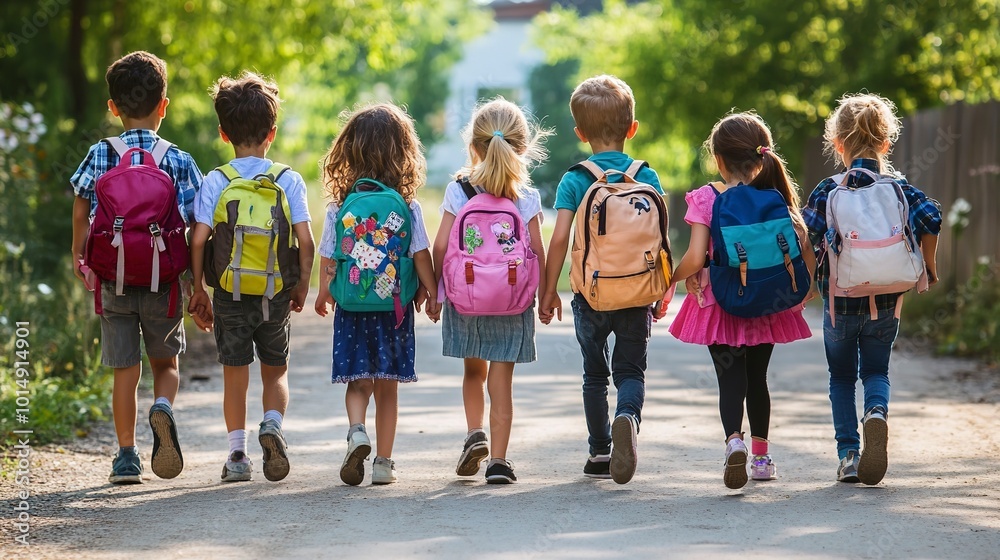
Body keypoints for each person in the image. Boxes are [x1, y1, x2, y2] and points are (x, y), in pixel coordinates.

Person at [70, 51, 203, 484]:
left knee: (125, 369)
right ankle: (162, 408)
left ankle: (126, 456)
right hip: (163, 282)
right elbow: (197, 224)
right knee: (166, 364)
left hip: (114, 279)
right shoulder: (179, 159)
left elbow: (80, 207)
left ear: (113, 108)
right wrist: (195, 282)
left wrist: (81, 257)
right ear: (164, 105)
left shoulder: (98, 153)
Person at [668, 112, 815, 489]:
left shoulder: (705, 198)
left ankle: (734, 442)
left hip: (720, 303)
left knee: (728, 379)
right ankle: (762, 458)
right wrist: (808, 287)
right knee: (758, 379)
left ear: (718, 159)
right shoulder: (774, 197)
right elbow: (803, 247)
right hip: (766, 302)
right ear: (761, 156)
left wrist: (669, 278)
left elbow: (697, 257)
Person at [803, 93, 941, 485]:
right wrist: (929, 267)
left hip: (840, 303)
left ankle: (848, 456)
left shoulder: (828, 189)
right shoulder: (898, 188)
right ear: (886, 143)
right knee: (876, 371)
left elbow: (806, 235)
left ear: (838, 144)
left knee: (842, 378)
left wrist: (809, 282)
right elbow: (932, 217)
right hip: (887, 301)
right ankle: (876, 413)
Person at [188, 72, 314, 483]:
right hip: (275, 291)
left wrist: (199, 288)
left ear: (224, 134)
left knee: (234, 374)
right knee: (275, 370)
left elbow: (199, 239)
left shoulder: (216, 180)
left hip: (228, 292)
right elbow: (306, 241)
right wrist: (301, 284)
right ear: (271, 133)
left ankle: (238, 457)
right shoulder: (288, 179)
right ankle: (273, 425)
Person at [539, 75, 662, 484]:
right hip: (636, 291)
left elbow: (559, 239)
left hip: (590, 295)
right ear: (632, 129)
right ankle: (627, 415)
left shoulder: (575, 178)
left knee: (595, 374)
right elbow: (659, 238)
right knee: (631, 372)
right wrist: (663, 287)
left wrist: (547, 291)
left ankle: (599, 451)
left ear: (579, 133)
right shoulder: (647, 176)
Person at [313, 103, 437, 486]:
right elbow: (419, 253)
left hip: (352, 306)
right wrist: (432, 292)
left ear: (348, 151)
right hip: (394, 309)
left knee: (358, 381)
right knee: (387, 387)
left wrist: (323, 293)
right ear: (403, 153)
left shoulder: (340, 206)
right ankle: (383, 462)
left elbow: (329, 256)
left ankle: (356, 431)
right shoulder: (408, 206)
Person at [431, 98, 549, 485]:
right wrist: (546, 294)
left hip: (466, 298)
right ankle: (498, 461)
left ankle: (474, 434)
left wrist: (435, 291)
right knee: (502, 380)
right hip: (512, 300)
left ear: (474, 147)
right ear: (523, 147)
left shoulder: (458, 191)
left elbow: (441, 246)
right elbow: (536, 250)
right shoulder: (526, 196)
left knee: (472, 371)